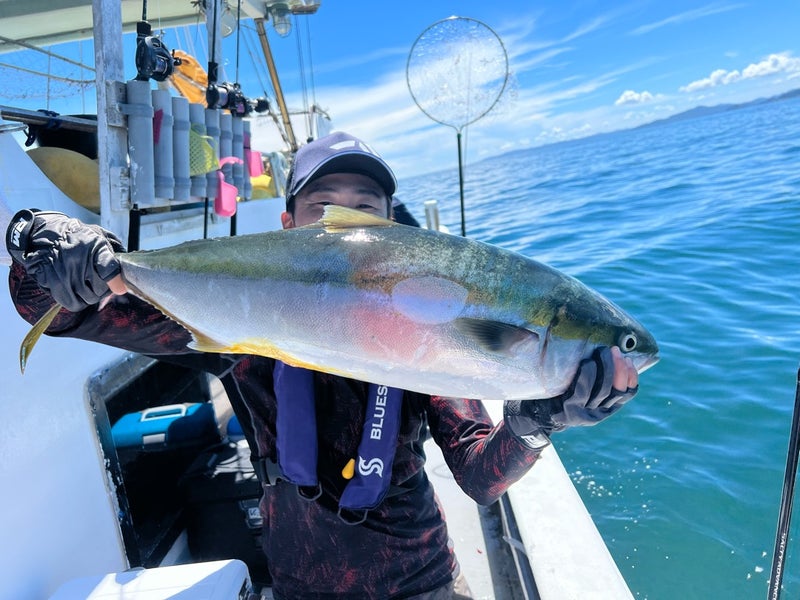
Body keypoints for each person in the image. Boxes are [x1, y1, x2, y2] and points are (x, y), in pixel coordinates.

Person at [6, 131, 639, 600]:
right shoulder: (243, 320)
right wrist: (44, 239)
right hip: (301, 582)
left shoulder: (432, 335)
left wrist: (538, 421)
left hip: (423, 580)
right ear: (289, 226)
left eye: (369, 205)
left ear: (394, 228)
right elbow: (60, 311)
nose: (351, 218)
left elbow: (478, 476)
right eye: (326, 205)